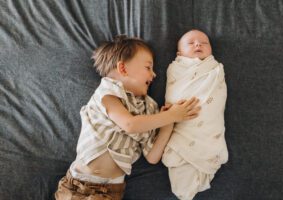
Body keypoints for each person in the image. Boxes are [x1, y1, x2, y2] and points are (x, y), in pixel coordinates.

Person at [55, 35, 200, 200]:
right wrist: (170, 115)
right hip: (80, 186)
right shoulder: (107, 93)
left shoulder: (148, 109)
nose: (154, 75)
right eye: (148, 67)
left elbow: (153, 157)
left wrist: (168, 123)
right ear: (123, 69)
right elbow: (130, 125)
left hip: (112, 192)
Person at [162, 29, 229, 200]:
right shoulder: (176, 69)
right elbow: (174, 94)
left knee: (208, 134)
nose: (198, 44)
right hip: (183, 124)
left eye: (204, 43)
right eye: (190, 43)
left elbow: (218, 95)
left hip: (208, 124)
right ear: (179, 53)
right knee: (181, 162)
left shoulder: (214, 69)